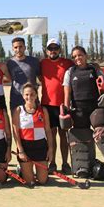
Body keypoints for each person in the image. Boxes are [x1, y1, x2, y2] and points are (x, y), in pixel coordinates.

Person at [63, 46, 104, 179]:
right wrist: (66, 109)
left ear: (85, 55)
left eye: (80, 55)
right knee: (82, 139)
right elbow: (67, 93)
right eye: (74, 56)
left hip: (96, 108)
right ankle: (83, 166)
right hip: (78, 110)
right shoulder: (70, 72)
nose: (77, 58)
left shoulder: (94, 69)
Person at [40, 38, 74, 174]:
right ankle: (52, 163)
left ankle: (65, 164)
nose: (53, 51)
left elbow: (81, 65)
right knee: (51, 136)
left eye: (55, 48)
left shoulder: (67, 63)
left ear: (60, 49)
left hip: (62, 106)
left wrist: (95, 66)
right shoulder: (42, 63)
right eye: (50, 48)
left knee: (63, 135)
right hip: (47, 105)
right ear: (46, 50)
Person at [12, 83, 53, 186]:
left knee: (42, 181)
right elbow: (16, 132)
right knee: (30, 182)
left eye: (32, 94)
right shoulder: (18, 110)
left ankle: (36, 172)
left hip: (40, 146)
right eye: (26, 94)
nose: (29, 97)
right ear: (23, 95)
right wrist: (20, 150)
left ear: (36, 95)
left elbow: (48, 130)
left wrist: (50, 149)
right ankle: (21, 170)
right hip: (25, 147)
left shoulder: (43, 110)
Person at [6, 37, 40, 115]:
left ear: (25, 47)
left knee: (34, 123)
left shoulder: (34, 61)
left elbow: (41, 78)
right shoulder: (9, 63)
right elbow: (6, 78)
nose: (18, 49)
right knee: (16, 123)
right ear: (12, 48)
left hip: (31, 97)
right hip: (15, 98)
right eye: (15, 47)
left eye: (20, 47)